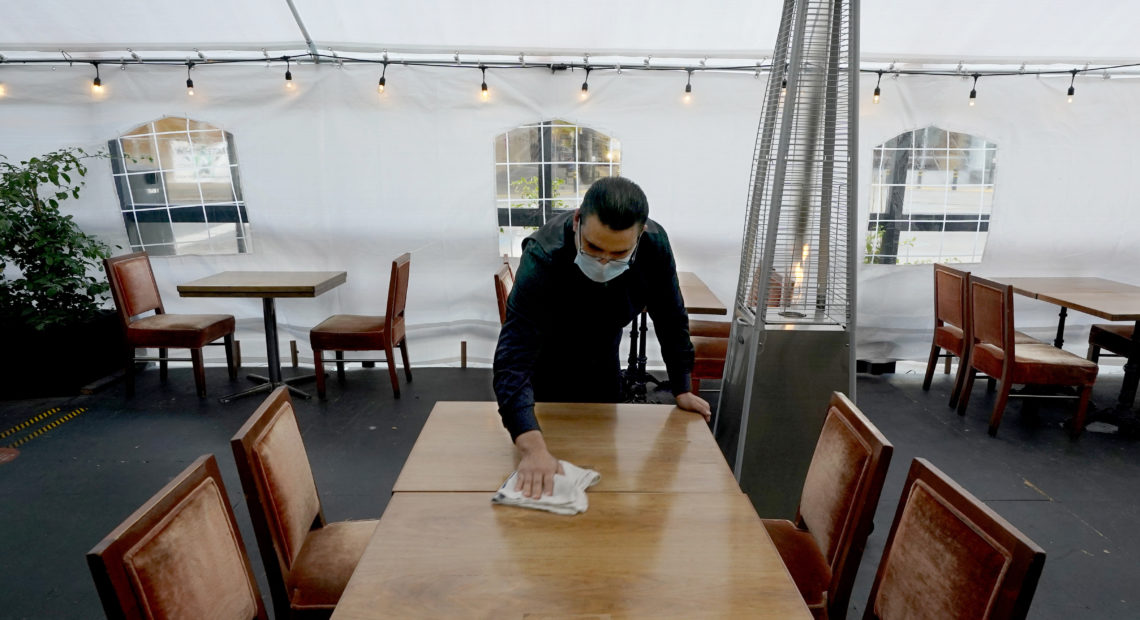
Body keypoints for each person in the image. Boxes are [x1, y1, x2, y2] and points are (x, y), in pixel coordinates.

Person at [493, 176, 711, 499]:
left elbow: (671, 317)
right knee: (541, 485)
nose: (604, 261)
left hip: (604, 366)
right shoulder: (543, 256)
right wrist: (530, 444)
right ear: (578, 220)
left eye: (619, 252)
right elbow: (513, 357)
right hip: (545, 371)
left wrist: (681, 386)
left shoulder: (655, 247)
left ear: (639, 237)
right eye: (593, 247)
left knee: (603, 482)